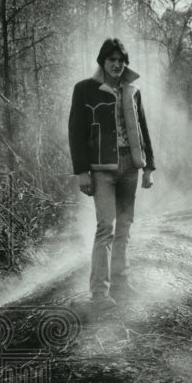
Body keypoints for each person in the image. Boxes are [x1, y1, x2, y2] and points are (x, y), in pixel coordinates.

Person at [68, 38, 156, 308]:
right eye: (112, 60)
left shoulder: (133, 91)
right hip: (101, 170)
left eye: (121, 60)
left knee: (124, 228)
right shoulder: (84, 89)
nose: (117, 64)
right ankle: (99, 294)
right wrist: (82, 171)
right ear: (102, 62)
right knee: (106, 227)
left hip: (130, 166)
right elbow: (76, 132)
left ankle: (121, 284)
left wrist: (148, 167)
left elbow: (142, 127)